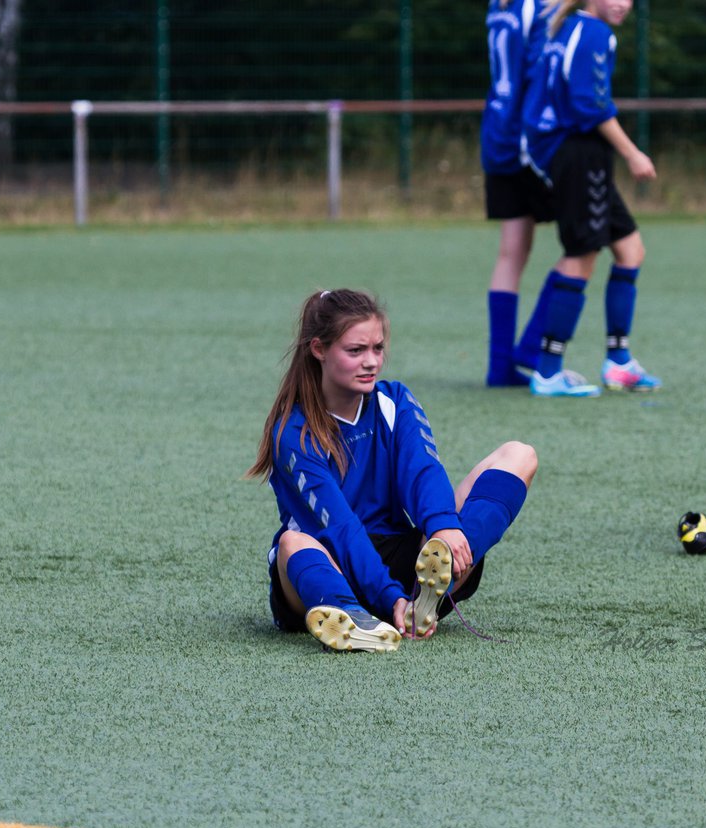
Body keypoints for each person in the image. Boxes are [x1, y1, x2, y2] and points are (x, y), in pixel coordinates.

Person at [248, 289, 538, 652]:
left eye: (378, 349)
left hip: (404, 567)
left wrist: (442, 524)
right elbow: (340, 527)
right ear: (319, 349)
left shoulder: (394, 400)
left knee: (519, 455)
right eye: (355, 351)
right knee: (293, 543)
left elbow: (422, 469)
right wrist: (390, 599)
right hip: (328, 566)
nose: (371, 361)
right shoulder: (294, 432)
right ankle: (353, 616)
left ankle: (425, 598)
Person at [517, 0, 661, 397]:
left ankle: (618, 362)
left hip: (570, 152)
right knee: (581, 254)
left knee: (630, 249)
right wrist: (633, 153)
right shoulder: (594, 33)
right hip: (577, 153)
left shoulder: (565, 28)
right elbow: (590, 106)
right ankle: (547, 370)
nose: (623, 4)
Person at [481, 0, 554, 387]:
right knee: (585, 244)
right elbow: (537, 73)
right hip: (527, 141)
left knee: (512, 250)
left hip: (496, 131)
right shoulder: (537, 10)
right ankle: (530, 347)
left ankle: (499, 366)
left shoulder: (499, 6)